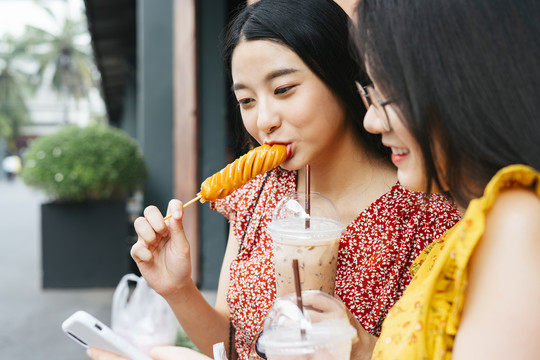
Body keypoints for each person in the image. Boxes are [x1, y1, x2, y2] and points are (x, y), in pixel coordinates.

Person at [88, 1, 460, 359]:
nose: (264, 119)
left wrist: (362, 348)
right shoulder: (255, 194)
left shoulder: (428, 213)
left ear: (341, 77)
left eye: (283, 90)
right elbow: (232, 345)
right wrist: (178, 289)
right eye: (246, 100)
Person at [351, 0, 540, 358]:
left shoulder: (516, 223)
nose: (371, 122)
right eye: (368, 94)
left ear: (459, 85)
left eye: (383, 93)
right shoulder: (475, 224)